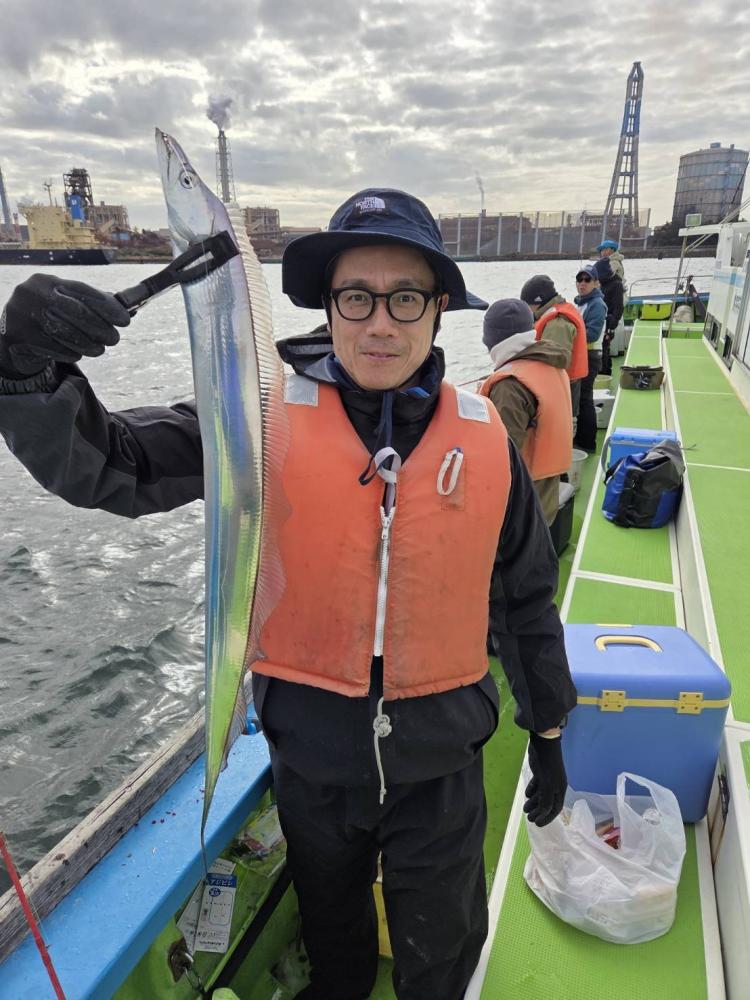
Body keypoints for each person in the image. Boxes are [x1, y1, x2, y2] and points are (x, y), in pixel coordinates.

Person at [0, 188, 576, 1000]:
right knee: (332, 929)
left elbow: (526, 599)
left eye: (405, 298)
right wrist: (27, 374)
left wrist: (547, 729)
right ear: (328, 307)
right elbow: (116, 464)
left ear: (439, 308)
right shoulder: (255, 420)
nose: (380, 323)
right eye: (356, 298)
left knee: (443, 943)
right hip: (312, 756)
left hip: (442, 760)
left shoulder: (486, 439)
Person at [477, 298, 572, 526]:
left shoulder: (509, 386)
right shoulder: (550, 363)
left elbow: (502, 457)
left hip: (523, 496)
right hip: (547, 485)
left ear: (491, 339)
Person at [520, 273, 587, 436]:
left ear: (538, 302)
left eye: (527, 305)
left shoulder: (557, 323)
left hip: (562, 389)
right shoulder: (559, 309)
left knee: (558, 433)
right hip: (566, 385)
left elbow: (553, 363)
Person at [572, 263, 607, 453]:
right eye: (580, 279)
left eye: (587, 280)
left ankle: (587, 443)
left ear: (596, 283)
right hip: (581, 356)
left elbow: (592, 334)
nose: (582, 283)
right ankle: (581, 439)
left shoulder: (597, 305)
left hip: (590, 356)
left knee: (584, 399)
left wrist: (568, 332)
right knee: (580, 398)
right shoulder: (580, 303)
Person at [592, 257, 625, 377]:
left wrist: (612, 325)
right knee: (601, 348)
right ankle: (602, 372)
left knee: (604, 348)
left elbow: (618, 307)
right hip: (601, 320)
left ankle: (605, 373)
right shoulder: (601, 284)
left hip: (609, 322)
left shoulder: (616, 285)